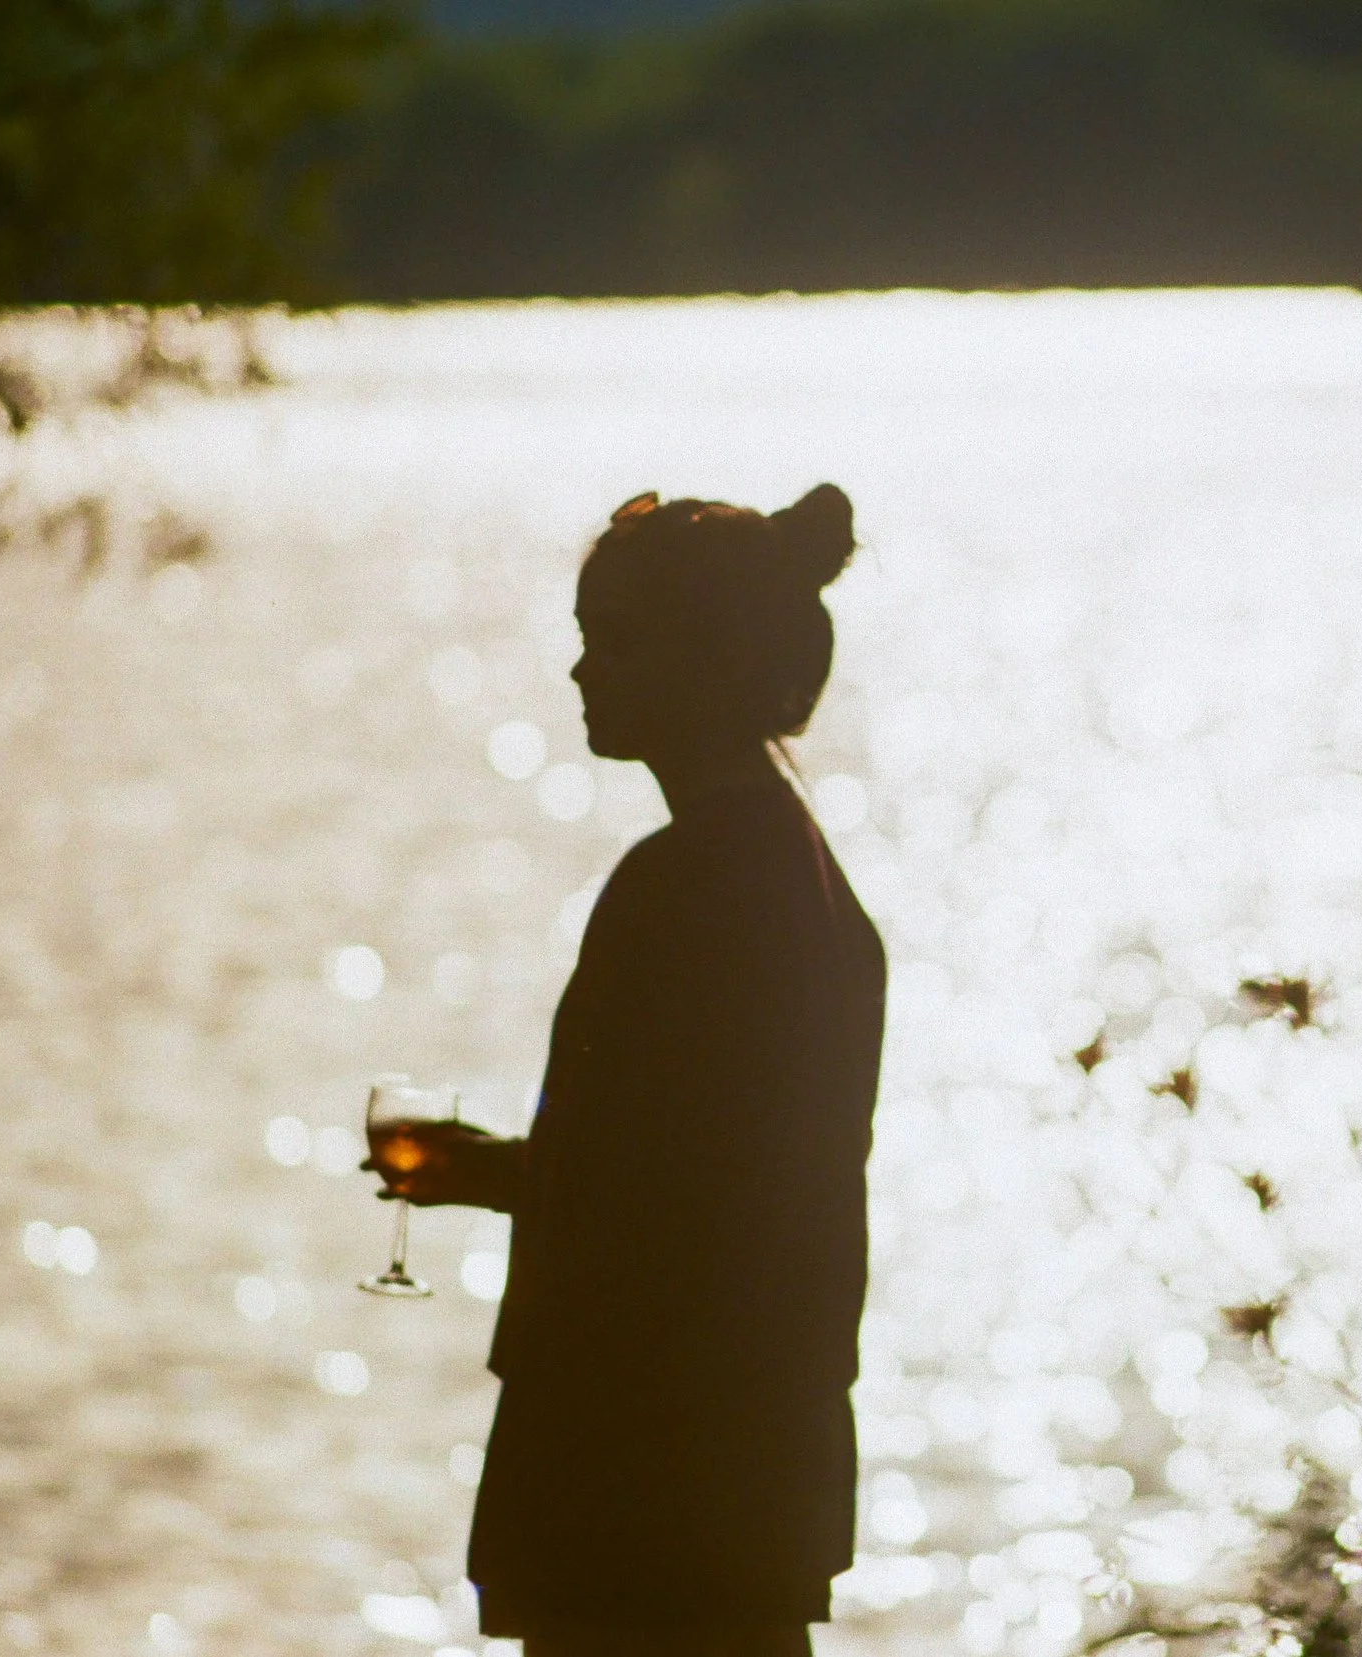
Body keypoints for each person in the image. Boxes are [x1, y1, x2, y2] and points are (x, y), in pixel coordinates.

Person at [374, 484, 887, 1657]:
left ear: (704, 660)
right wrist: (499, 1171)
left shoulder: (685, 882)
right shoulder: (801, 878)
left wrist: (509, 1175)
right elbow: (693, 1176)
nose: (580, 673)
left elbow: (658, 1214)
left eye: (612, 640)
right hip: (743, 1483)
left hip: (645, 1482)